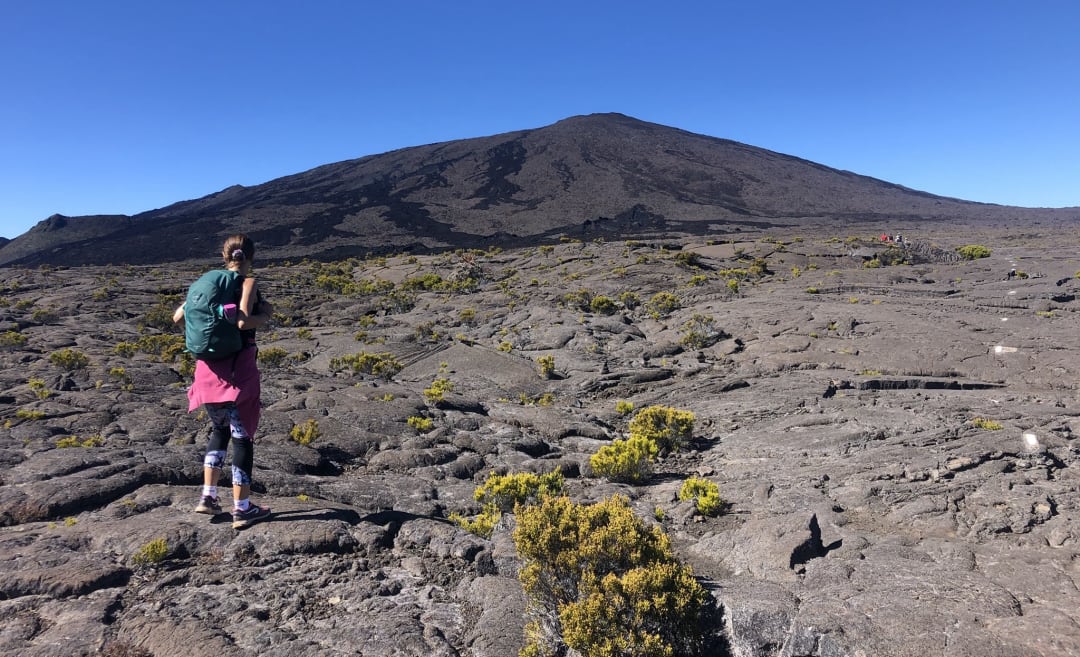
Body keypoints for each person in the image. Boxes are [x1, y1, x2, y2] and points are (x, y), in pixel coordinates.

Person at [173, 234, 274, 529]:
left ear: (223, 255)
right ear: (252, 256)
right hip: (238, 372)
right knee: (242, 438)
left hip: (207, 371)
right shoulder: (248, 283)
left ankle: (208, 497)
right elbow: (243, 321)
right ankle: (242, 509)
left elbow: (178, 317)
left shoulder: (206, 285)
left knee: (219, 431)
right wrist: (266, 313)